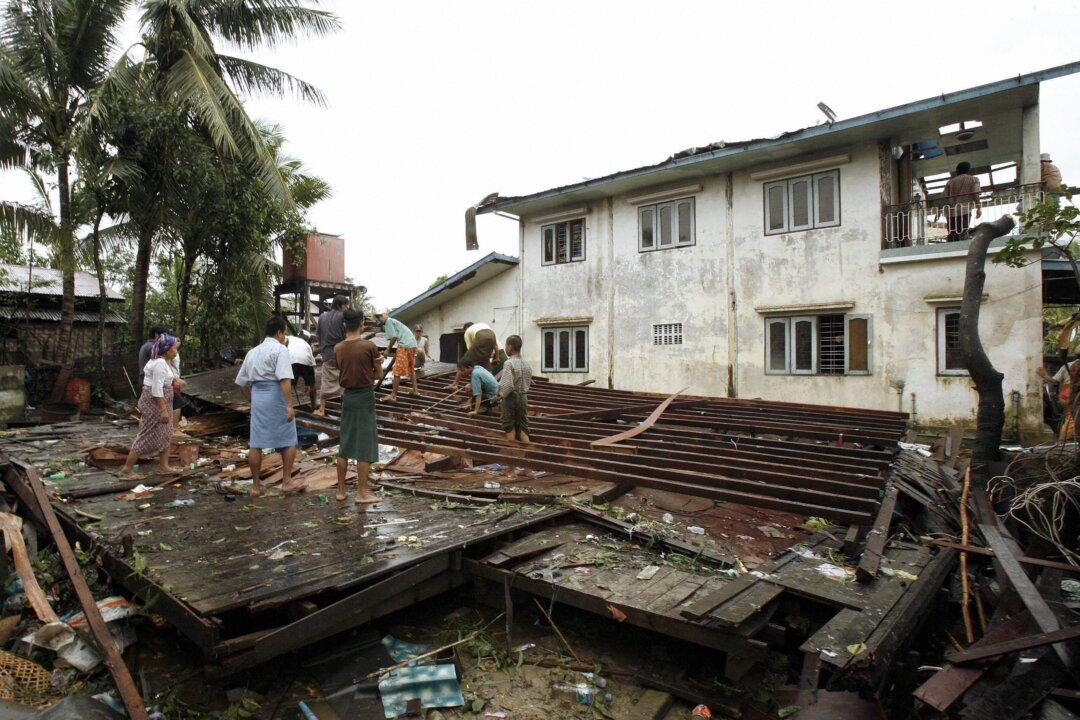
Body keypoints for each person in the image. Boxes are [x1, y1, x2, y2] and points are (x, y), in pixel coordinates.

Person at [235, 316, 300, 497]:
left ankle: (255, 486)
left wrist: (253, 401)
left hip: (258, 397)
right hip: (275, 395)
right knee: (288, 438)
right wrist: (289, 406)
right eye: (284, 333)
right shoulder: (280, 350)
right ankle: (286, 481)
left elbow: (242, 384)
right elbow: (284, 379)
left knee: (256, 442)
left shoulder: (252, 352)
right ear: (280, 332)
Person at [335, 309, 384, 505]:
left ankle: (341, 491)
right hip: (364, 396)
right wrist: (378, 363)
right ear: (362, 325)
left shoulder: (338, 348)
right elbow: (379, 375)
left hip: (348, 397)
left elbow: (344, 369)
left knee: (345, 443)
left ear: (344, 326)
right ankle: (362, 493)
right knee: (365, 444)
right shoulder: (369, 346)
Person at [122, 334, 181, 477]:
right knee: (147, 434)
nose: (176, 350)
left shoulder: (161, 361)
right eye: (174, 347)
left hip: (163, 400)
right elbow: (156, 389)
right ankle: (127, 469)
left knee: (166, 433)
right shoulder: (160, 363)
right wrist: (163, 411)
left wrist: (174, 382)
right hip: (155, 402)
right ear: (167, 350)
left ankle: (164, 465)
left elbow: (161, 380)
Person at [315, 295, 350, 416]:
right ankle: (345, 409)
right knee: (344, 381)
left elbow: (318, 337)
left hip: (327, 354)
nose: (347, 308)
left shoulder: (322, 317)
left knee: (326, 382)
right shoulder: (343, 316)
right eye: (346, 305)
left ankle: (322, 409)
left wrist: (323, 348)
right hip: (342, 354)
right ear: (341, 305)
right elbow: (349, 335)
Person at [497, 334, 533, 443]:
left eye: (506, 346)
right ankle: (528, 454)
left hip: (511, 398)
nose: (506, 348)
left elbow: (508, 386)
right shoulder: (527, 364)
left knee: (509, 426)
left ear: (510, 347)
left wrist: (499, 395)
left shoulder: (508, 363)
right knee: (523, 426)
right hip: (523, 397)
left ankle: (513, 455)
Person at [378, 312, 419, 402]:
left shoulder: (389, 321)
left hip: (404, 346)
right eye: (378, 317)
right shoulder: (395, 322)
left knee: (397, 371)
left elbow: (393, 337)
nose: (380, 318)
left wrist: (387, 350)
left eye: (381, 316)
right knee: (411, 369)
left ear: (386, 315)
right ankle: (415, 391)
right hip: (413, 345)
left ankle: (393, 396)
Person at [942, 162, 981, 241]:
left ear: (957, 170)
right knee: (963, 231)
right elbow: (975, 194)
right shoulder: (973, 179)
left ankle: (952, 247)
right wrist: (979, 208)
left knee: (952, 232)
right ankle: (961, 247)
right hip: (964, 210)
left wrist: (944, 214)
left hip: (951, 212)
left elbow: (944, 198)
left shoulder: (950, 182)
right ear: (968, 170)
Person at [286, 329, 318, 409]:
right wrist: (309, 381)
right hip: (305, 360)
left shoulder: (290, 338)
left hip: (292, 360)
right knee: (312, 385)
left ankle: (286, 406)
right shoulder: (307, 345)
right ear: (307, 338)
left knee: (288, 384)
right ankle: (314, 405)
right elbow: (312, 363)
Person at [137, 325, 168, 389]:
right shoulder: (152, 347)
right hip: (148, 382)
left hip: (147, 380)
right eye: (164, 336)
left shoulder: (148, 345)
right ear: (156, 334)